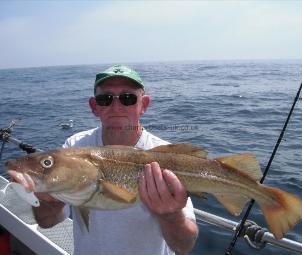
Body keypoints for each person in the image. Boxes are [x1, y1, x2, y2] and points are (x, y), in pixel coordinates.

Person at [31, 65, 199, 255]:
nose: (116, 107)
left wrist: (172, 217)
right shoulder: (73, 147)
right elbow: (46, 222)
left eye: (128, 98)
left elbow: (183, 246)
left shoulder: (168, 159)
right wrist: (48, 202)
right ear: (94, 107)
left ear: (143, 105)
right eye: (105, 99)